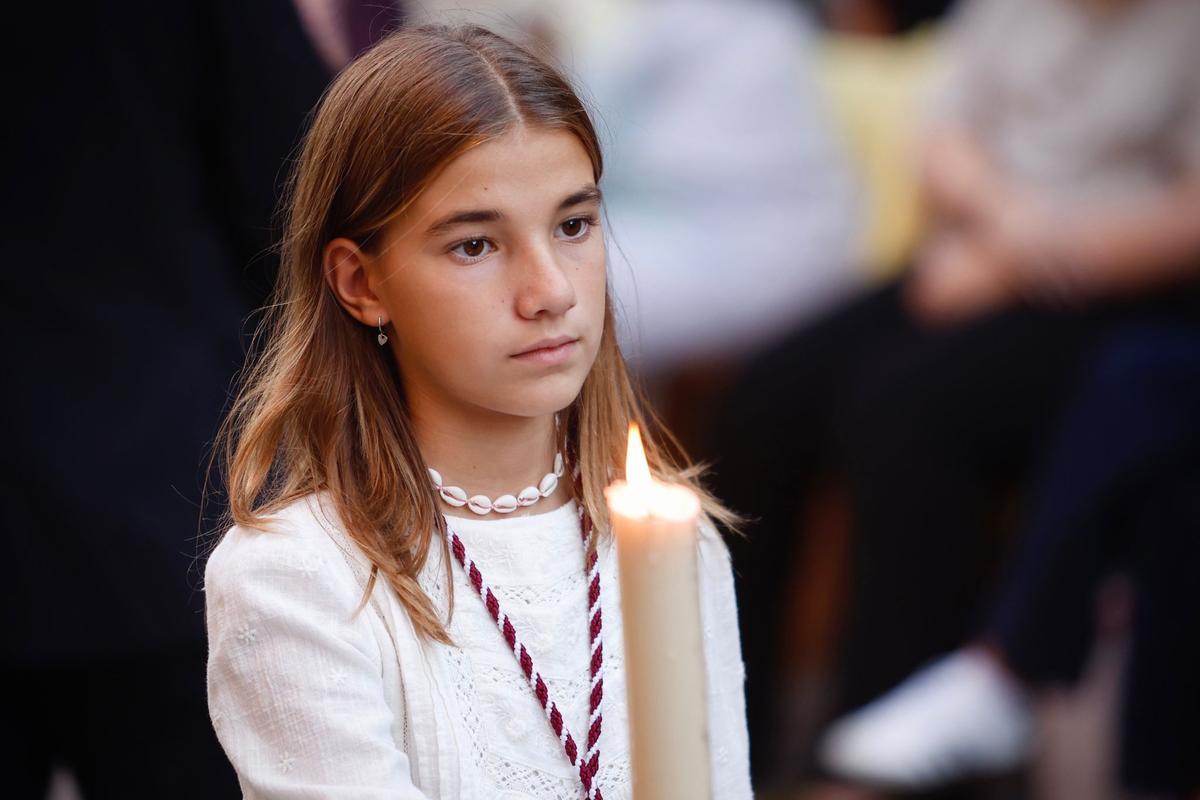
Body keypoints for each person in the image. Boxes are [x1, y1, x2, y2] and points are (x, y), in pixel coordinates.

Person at [202, 24, 753, 799]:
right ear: (361, 284)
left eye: (573, 226)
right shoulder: (297, 579)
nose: (551, 292)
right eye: (474, 246)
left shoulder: (674, 540)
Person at [710, 0, 1200, 785]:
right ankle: (725, 736)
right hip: (977, 251)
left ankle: (871, 753)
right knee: (768, 397)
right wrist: (1005, 229)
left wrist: (1021, 261)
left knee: (905, 412)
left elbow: (1187, 217)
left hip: (1115, 291)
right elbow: (942, 134)